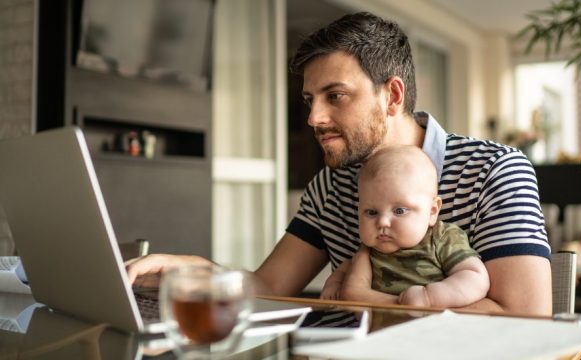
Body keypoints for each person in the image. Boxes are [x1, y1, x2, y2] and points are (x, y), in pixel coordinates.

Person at [127, 12, 552, 315]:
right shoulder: (328, 188)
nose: (314, 118)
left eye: (336, 96)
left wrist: (378, 303)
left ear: (393, 96)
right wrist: (196, 271)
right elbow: (270, 287)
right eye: (311, 100)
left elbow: (528, 318)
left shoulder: (494, 169)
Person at [320, 146, 489, 308]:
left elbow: (475, 276)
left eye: (399, 211)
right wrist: (334, 285)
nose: (383, 222)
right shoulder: (369, 250)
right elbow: (345, 269)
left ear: (432, 211)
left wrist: (429, 297)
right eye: (371, 212)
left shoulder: (442, 238)